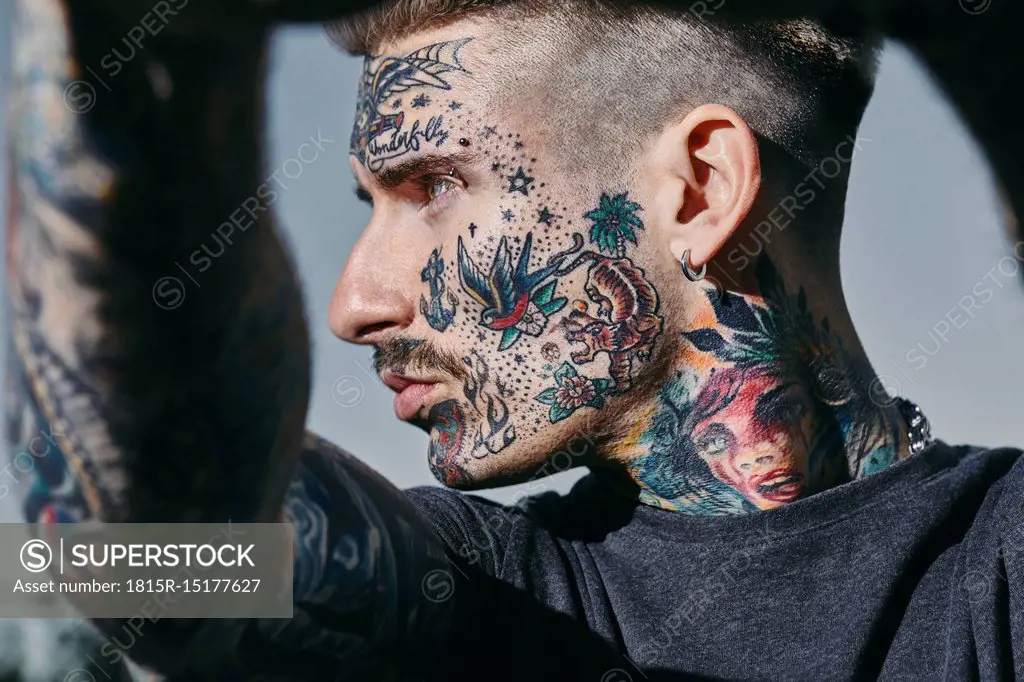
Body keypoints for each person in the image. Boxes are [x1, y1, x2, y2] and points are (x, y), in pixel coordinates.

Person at [4, 1, 1022, 681]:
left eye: (431, 187)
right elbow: (136, 560)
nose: (355, 301)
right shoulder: (480, 592)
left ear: (699, 190)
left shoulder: (998, 567)